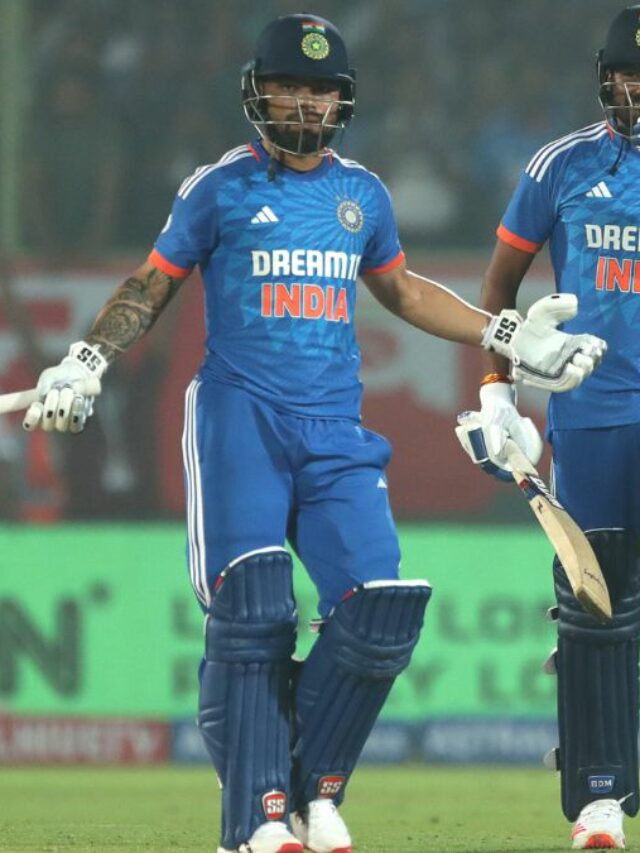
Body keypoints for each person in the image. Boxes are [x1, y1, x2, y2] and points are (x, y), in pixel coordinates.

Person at [21, 13, 605, 853]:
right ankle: (256, 820)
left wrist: (503, 335)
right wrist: (87, 358)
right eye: (289, 86)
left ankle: (309, 789)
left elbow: (403, 291)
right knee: (255, 609)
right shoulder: (219, 187)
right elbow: (152, 282)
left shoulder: (362, 195)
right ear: (257, 93)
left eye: (321, 90)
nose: (304, 103)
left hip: (335, 428)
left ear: (344, 102)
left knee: (380, 611)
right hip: (240, 417)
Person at [456, 5, 640, 850]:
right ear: (606, 79)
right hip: (593, 411)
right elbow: (498, 288)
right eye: (629, 74)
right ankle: (600, 796)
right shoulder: (562, 165)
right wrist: (497, 390)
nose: (638, 89)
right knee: (594, 601)